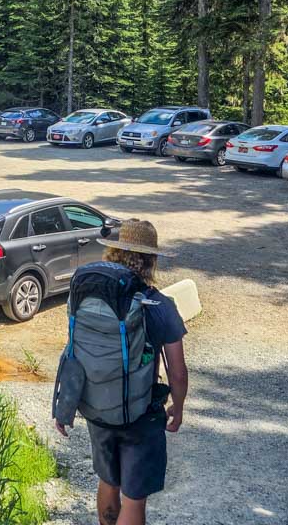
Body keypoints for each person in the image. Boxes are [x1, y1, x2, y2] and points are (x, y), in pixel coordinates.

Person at [56, 219, 188, 525]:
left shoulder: (88, 295)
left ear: (113, 252)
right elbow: (178, 372)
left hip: (97, 408)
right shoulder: (158, 304)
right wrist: (178, 408)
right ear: (150, 260)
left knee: (108, 481)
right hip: (139, 415)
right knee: (134, 499)